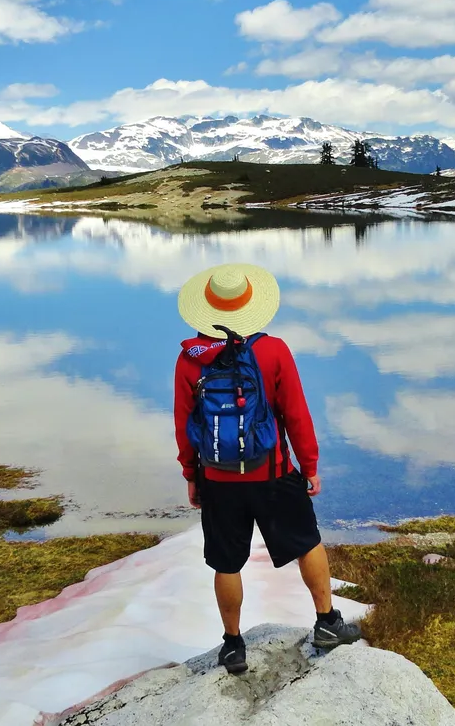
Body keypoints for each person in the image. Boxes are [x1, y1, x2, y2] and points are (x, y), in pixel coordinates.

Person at [174, 262, 361, 676]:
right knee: (307, 542)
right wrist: (309, 465)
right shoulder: (273, 350)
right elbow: (296, 414)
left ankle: (233, 645)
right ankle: (327, 623)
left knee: (227, 562)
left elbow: (184, 423)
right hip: (274, 473)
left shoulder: (190, 358)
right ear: (251, 307)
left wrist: (192, 474)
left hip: (218, 480)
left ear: (206, 310)